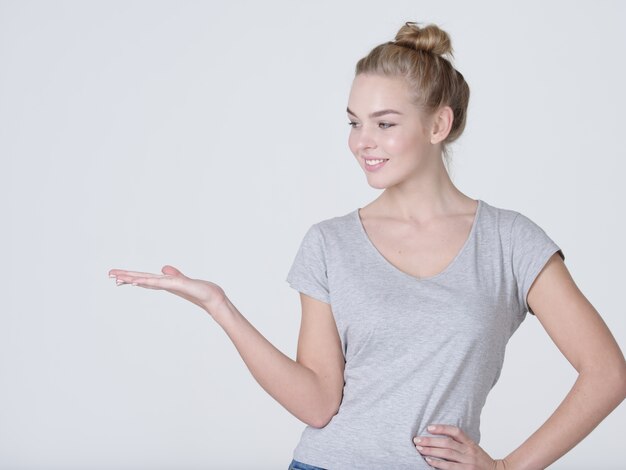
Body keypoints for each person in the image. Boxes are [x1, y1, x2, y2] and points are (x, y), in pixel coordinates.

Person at [108, 21, 626, 470]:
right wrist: (219, 306)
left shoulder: (510, 241)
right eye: (354, 123)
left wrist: (508, 467)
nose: (362, 141)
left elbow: (606, 374)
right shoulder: (329, 243)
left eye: (384, 124)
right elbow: (317, 403)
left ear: (438, 125)